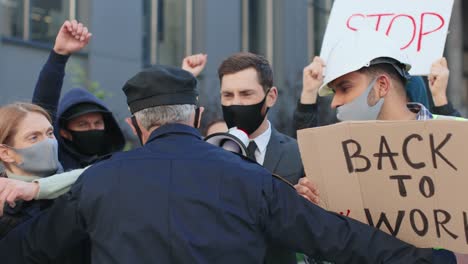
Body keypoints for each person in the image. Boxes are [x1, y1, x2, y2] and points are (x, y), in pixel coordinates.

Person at [0, 65, 460, 264]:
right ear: (198, 116)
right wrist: (440, 259)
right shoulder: (250, 178)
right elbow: (339, 239)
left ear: (135, 124)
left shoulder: (98, 183)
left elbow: (28, 250)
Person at [184, 52, 306, 264]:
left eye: (246, 94)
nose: (236, 104)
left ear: (271, 96)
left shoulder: (297, 153)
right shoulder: (206, 153)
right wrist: (185, 80)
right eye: (228, 95)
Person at [0, 102, 88, 264]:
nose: (48, 143)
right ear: (6, 153)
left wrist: (36, 188)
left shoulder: (74, 185)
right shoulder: (5, 210)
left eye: (49, 133)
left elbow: (106, 171)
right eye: (34, 137)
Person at [32, 20, 125, 170]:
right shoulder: (52, 161)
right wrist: (59, 55)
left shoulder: (118, 166)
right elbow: (43, 108)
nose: (92, 129)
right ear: (64, 132)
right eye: (82, 124)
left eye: (98, 123)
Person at [294, 56, 462, 130]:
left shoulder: (457, 136)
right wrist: (309, 92)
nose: (334, 103)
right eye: (334, 92)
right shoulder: (345, 148)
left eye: (345, 88)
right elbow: (308, 151)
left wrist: (440, 99)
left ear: (382, 85)